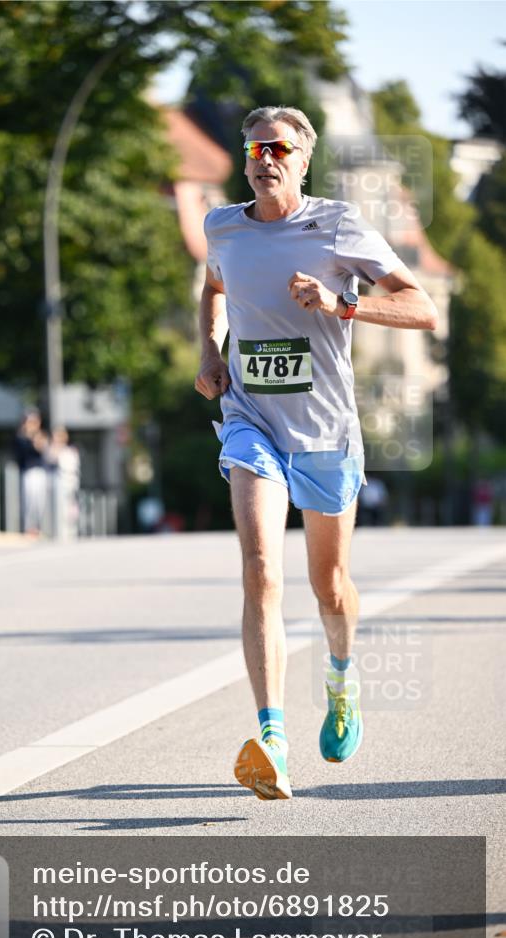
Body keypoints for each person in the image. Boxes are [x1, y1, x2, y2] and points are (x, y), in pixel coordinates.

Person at [194, 106, 438, 801]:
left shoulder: (337, 226)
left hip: (325, 432)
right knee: (260, 568)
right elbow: (214, 288)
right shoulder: (223, 227)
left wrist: (341, 304)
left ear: (303, 161)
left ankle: (340, 677)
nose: (265, 159)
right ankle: (272, 738)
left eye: (279, 149)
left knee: (328, 585)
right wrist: (209, 349)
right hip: (251, 421)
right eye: (255, 149)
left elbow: (422, 307)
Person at [14, 409, 48, 537]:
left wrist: (37, 437)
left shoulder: (40, 435)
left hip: (40, 472)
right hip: (28, 472)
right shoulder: (21, 437)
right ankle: (28, 528)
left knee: (40, 502)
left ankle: (38, 527)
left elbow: (42, 449)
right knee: (29, 501)